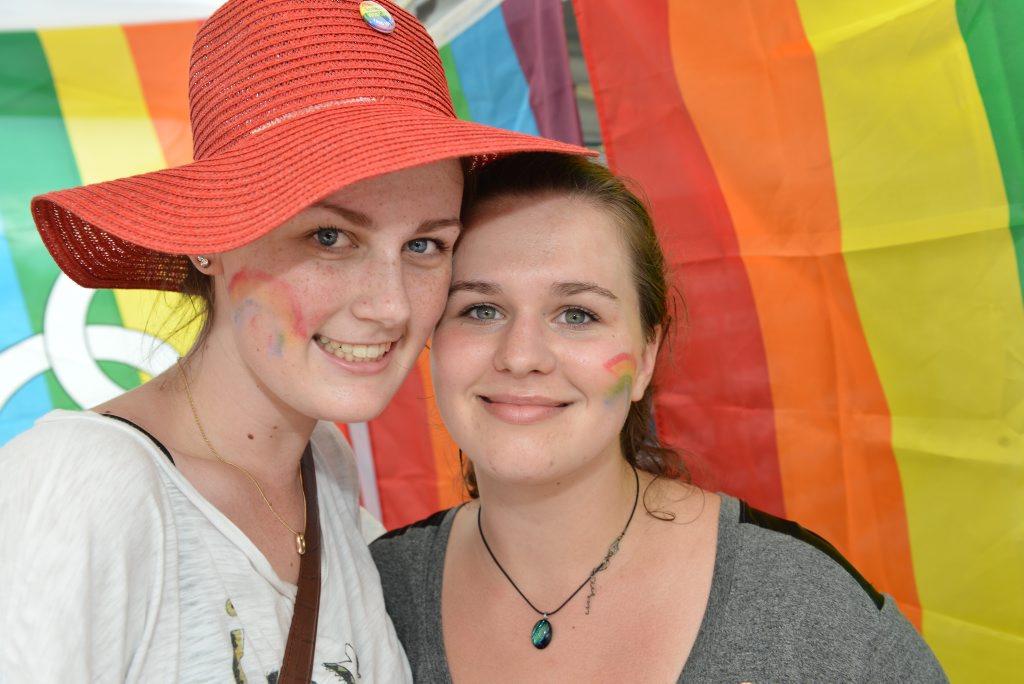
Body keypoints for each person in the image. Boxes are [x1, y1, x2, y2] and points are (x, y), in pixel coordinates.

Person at [0, 1, 588, 680]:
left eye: (425, 244)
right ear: (207, 239)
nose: (391, 305)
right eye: (331, 237)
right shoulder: (84, 487)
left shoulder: (323, 471)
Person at [370, 152, 948, 682]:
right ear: (431, 337)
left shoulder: (807, 610)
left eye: (576, 314)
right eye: (480, 309)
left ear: (647, 353)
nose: (521, 356)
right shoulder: (370, 595)